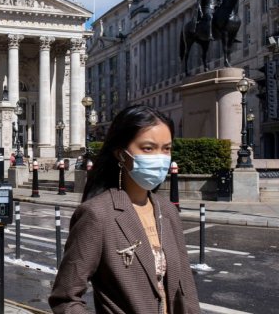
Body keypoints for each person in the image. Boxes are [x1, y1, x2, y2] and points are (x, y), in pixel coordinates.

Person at [49, 105, 200, 313]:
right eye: (148, 148)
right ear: (121, 154)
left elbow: (186, 290)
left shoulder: (168, 210)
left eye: (166, 148)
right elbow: (65, 297)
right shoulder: (97, 214)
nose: (160, 157)